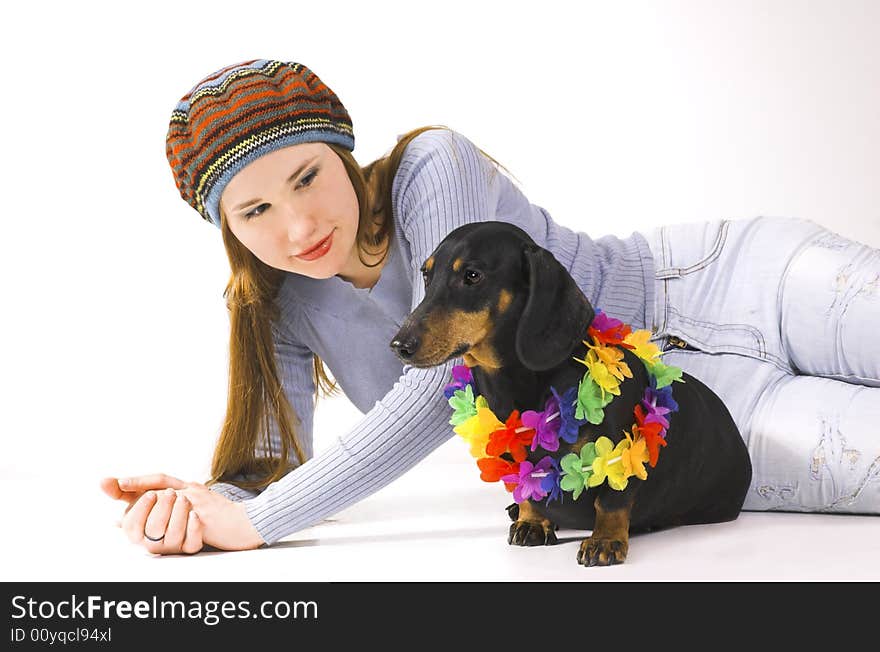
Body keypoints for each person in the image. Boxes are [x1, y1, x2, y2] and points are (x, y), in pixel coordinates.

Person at [101, 59, 880, 555]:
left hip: (724, 279)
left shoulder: (428, 168)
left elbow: (444, 387)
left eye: (307, 176)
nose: (298, 225)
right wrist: (204, 506)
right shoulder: (278, 310)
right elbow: (268, 476)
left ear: (341, 152)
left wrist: (258, 522)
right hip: (697, 432)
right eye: (254, 211)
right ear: (226, 231)